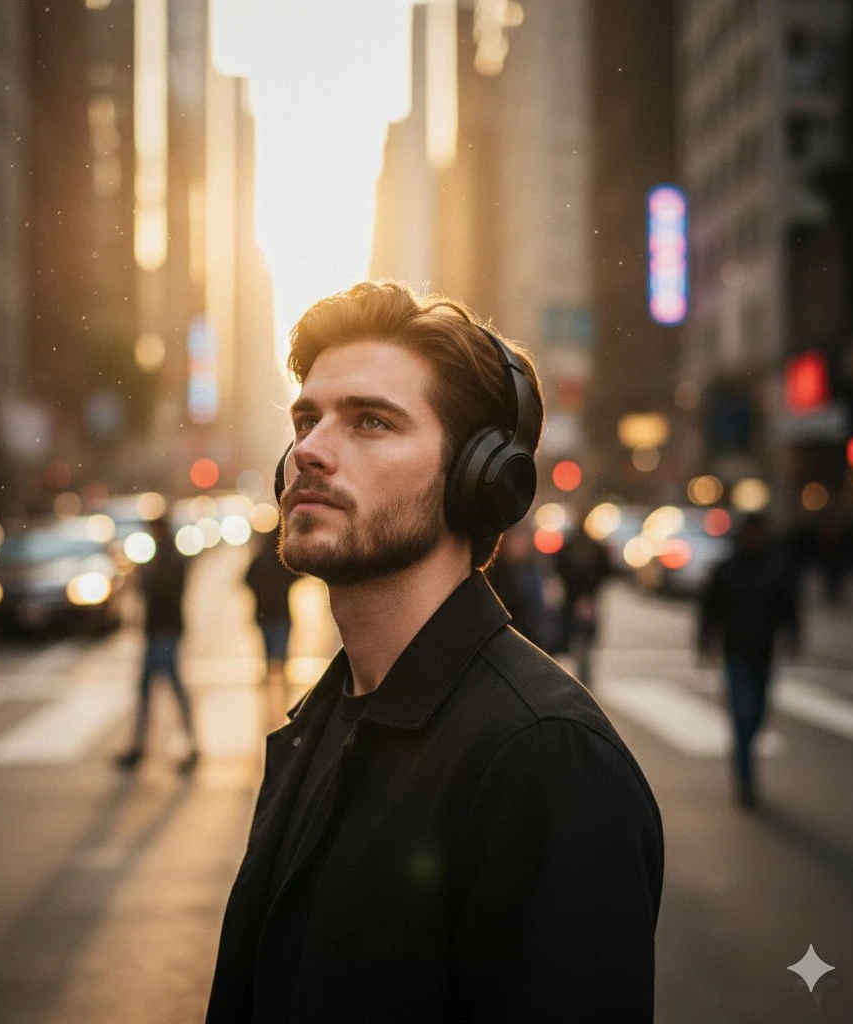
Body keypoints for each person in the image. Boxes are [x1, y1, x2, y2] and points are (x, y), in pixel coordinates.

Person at [206, 281, 663, 1023]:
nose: (310, 453)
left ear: (479, 481)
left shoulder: (545, 759)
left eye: (372, 423)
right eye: (307, 420)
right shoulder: (324, 720)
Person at [698, 512, 801, 808]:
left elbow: (788, 606)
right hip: (736, 650)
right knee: (742, 712)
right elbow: (711, 607)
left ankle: (745, 756)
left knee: (756, 712)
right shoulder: (728, 569)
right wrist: (705, 639)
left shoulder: (776, 568)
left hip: (764, 650)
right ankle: (745, 777)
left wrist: (793, 635)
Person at [116, 515, 198, 771]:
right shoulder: (162, 556)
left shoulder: (170, 557)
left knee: (168, 687)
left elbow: (165, 591)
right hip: (159, 631)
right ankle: (143, 746)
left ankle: (188, 744)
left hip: (165, 631)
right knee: (152, 689)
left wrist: (143, 579)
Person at [553, 514, 612, 689]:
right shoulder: (595, 547)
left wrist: (577, 593)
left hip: (574, 600)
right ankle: (582, 679)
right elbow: (607, 571)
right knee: (583, 642)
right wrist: (588, 594)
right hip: (586, 601)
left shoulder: (570, 546)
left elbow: (559, 567)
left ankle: (575, 679)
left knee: (573, 641)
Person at [485, 521, 549, 650]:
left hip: (532, 641)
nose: (519, 545)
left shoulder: (534, 568)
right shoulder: (496, 573)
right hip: (506, 642)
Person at [244, 528, 298, 680]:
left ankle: (270, 674)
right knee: (280, 651)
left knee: (268, 647)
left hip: (264, 613)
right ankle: (280, 677)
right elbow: (296, 576)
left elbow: (248, 579)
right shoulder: (282, 564)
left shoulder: (260, 560)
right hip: (281, 612)